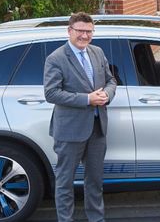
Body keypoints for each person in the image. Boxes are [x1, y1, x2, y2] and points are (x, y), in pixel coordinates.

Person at [43, 12, 117, 222]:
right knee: (65, 181)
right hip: (70, 131)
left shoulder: (97, 52)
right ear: (69, 31)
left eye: (89, 31)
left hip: (97, 127)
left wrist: (106, 95)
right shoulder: (56, 58)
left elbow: (111, 80)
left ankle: (96, 219)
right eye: (80, 31)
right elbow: (51, 93)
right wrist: (87, 99)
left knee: (95, 180)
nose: (84, 36)